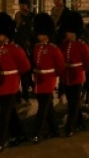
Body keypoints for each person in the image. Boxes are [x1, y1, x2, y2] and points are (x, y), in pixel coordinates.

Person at [0, 12, 30, 153]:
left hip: (11, 84)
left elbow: (25, 67)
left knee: (3, 115)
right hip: (1, 84)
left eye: (1, 33)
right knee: (10, 113)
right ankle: (20, 134)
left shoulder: (15, 49)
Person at [29, 13, 64, 142]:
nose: (41, 36)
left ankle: (37, 133)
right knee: (48, 107)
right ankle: (55, 129)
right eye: (39, 34)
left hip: (48, 81)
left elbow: (60, 66)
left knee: (42, 109)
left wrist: (54, 78)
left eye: (43, 34)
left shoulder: (54, 49)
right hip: (39, 80)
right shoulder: (37, 47)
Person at [59, 11, 89, 135]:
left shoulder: (82, 45)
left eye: (72, 32)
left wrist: (81, 72)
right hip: (66, 77)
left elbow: (87, 62)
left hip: (77, 76)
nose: (69, 34)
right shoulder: (63, 44)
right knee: (73, 101)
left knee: (73, 103)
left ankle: (70, 127)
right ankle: (80, 123)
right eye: (68, 32)